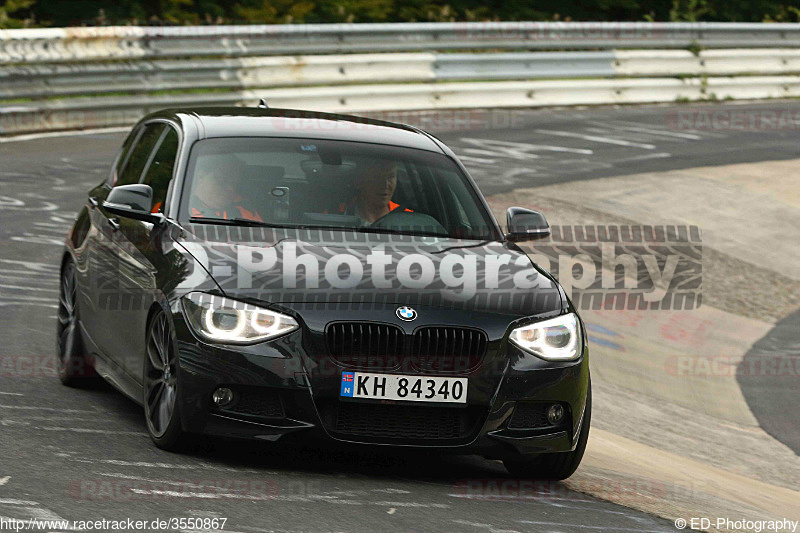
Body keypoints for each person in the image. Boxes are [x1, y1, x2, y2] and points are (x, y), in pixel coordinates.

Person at [337, 159, 412, 224]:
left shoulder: (407, 217)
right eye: (377, 177)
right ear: (359, 181)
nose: (385, 185)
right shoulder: (337, 214)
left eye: (390, 177)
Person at [188, 157, 263, 222]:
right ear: (201, 176)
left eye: (235, 184)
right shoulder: (181, 207)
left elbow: (260, 235)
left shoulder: (244, 210)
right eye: (222, 181)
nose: (231, 189)